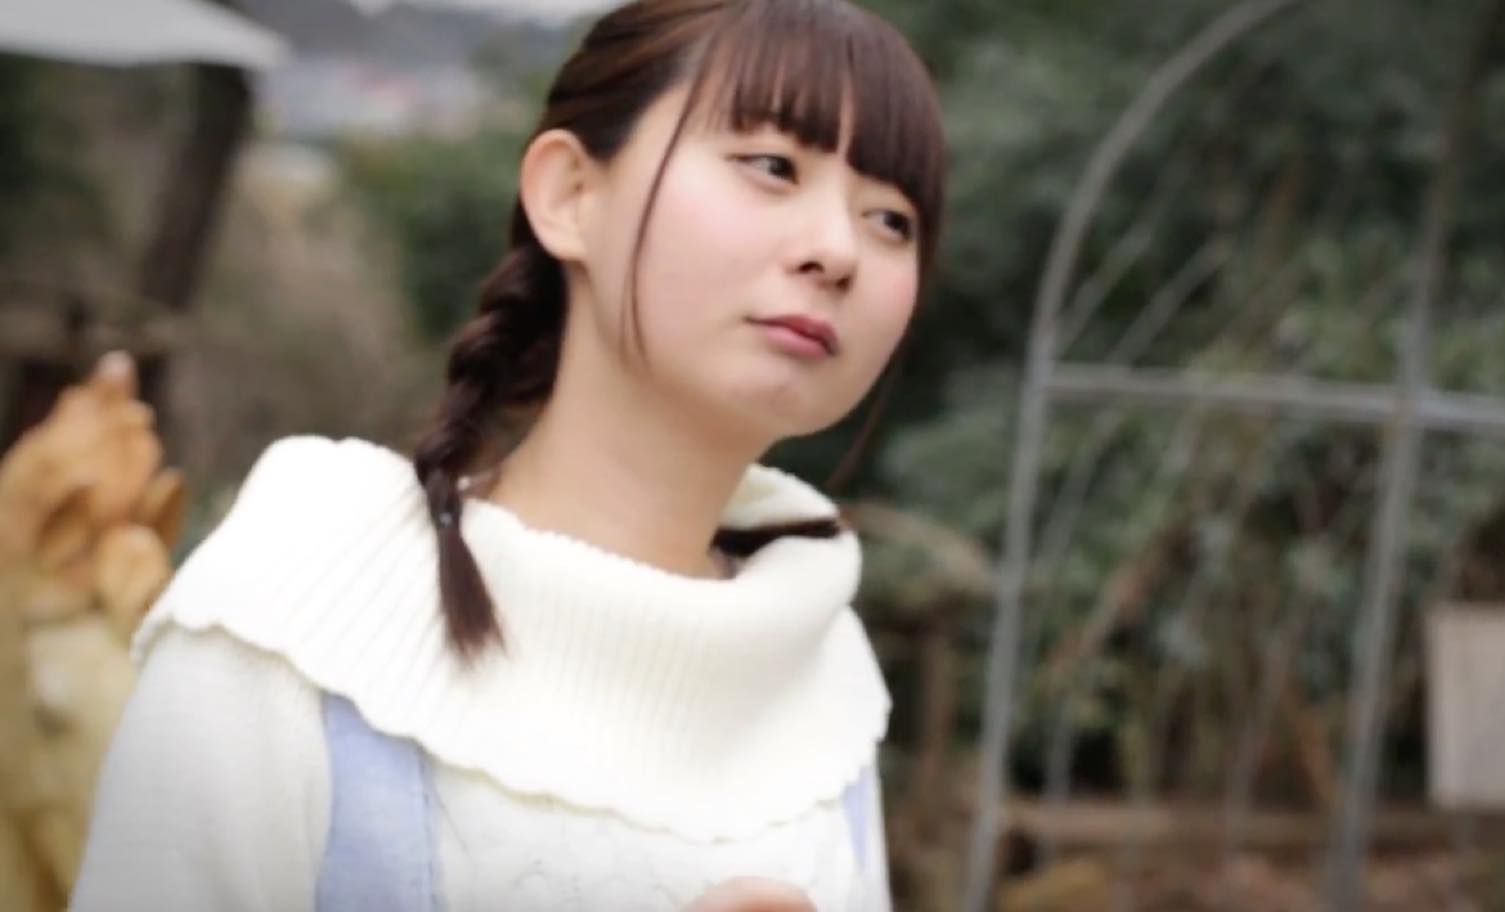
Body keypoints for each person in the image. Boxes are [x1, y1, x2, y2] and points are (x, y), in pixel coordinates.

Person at [69, 0, 945, 908]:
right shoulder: (299, 608)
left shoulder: (819, 660)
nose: (837, 250)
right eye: (771, 167)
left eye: (891, 219)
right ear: (570, 196)